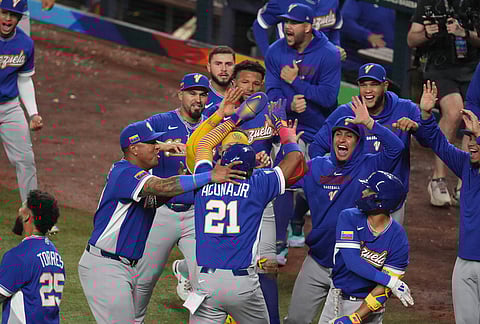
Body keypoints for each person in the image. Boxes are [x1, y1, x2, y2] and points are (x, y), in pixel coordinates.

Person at [77, 120, 245, 323]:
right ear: (134, 149)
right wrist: (208, 176)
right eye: (151, 142)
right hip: (105, 266)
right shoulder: (126, 173)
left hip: (121, 265)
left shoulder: (132, 174)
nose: (158, 145)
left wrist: (184, 182)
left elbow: (155, 199)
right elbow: (162, 187)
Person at [186, 92, 307, 324]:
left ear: (223, 160)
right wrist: (284, 129)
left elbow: (204, 144)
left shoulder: (204, 178)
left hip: (204, 283)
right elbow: (294, 159)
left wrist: (235, 118)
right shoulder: (258, 183)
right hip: (242, 285)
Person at [284, 95, 405, 324]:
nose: (343, 139)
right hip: (317, 261)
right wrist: (286, 147)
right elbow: (281, 179)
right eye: (338, 134)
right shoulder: (317, 166)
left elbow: (396, 148)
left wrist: (370, 123)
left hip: (353, 267)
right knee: (295, 320)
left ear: (358, 142)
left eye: (349, 135)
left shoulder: (370, 165)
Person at [203, 60, 282, 323]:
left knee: (268, 265)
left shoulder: (272, 114)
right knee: (227, 261)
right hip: (223, 195)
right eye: (245, 82)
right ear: (234, 84)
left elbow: (288, 148)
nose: (250, 88)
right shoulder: (218, 113)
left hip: (259, 193)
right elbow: (201, 151)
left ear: (263, 86)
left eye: (256, 84)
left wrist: (271, 161)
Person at [264, 2, 341, 265]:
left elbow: (330, 97)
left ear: (308, 27)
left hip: (317, 129)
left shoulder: (328, 54)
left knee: (315, 186)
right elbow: (271, 96)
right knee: (282, 181)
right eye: (286, 22)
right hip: (285, 127)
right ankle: (279, 243)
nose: (287, 27)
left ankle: (298, 220)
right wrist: (289, 105)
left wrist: (297, 83)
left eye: (294, 23)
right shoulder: (275, 52)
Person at [132, 73, 213, 322]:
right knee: (143, 281)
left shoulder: (213, 126)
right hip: (161, 213)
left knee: (206, 286)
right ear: (180, 95)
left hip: (196, 215)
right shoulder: (160, 121)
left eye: (202, 94)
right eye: (192, 93)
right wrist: (159, 145)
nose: (197, 99)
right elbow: (130, 142)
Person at [310, 63, 427, 225]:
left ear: (385, 85)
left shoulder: (406, 109)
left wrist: (418, 127)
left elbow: (427, 142)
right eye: (363, 85)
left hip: (391, 198)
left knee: (385, 249)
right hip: (353, 198)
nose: (368, 90)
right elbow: (317, 146)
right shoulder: (345, 112)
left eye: (374, 84)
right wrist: (331, 177)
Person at [416, 80, 480, 324]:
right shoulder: (466, 165)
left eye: (475, 139)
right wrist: (425, 114)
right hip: (464, 263)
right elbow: (439, 143)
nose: (471, 144)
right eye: (468, 139)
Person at [407, 0, 480, 207]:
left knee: (472, 118)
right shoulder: (430, 2)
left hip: (473, 69)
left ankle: (465, 181)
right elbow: (411, 39)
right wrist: (428, 34)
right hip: (439, 69)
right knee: (455, 112)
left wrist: (464, 34)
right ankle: (438, 179)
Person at [318, 171, 414, 324]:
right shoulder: (349, 217)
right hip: (337, 299)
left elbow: (383, 290)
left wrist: (355, 318)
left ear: (381, 201)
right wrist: (392, 282)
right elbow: (352, 262)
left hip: (369, 308)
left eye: (369, 190)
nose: (362, 192)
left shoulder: (398, 239)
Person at [0, 0, 44, 209]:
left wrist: (33, 113)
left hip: (9, 107)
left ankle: (33, 213)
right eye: (4, 12)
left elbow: (24, 79)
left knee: (26, 160)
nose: (8, 18)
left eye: (13, 15)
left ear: (20, 18)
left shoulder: (25, 44)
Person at [0, 189, 64, 323]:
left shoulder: (19, 256)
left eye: (24, 206)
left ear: (28, 216)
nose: (19, 209)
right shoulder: (56, 255)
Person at [253, 0, 344, 59]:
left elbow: (334, 27)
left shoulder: (333, 1)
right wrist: (268, 56)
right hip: (288, 60)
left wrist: (336, 46)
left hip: (320, 63)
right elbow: (260, 25)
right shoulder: (283, 2)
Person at [340, 0, 395, 76]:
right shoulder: (358, 2)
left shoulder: (396, 4)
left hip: (389, 68)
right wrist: (367, 36)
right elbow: (345, 22)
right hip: (357, 65)